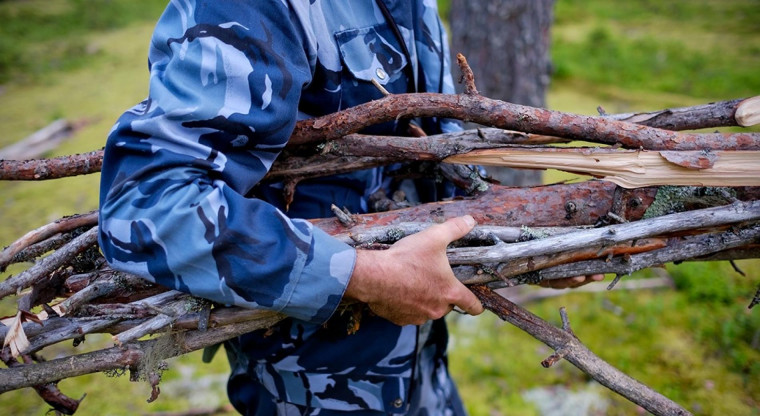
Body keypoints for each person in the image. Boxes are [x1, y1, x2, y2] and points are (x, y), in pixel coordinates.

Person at [98, 1, 600, 414]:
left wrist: (530, 251)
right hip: (308, 391)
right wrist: (369, 276)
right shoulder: (256, 8)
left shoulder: (412, 6)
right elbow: (151, 201)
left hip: (426, 379)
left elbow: (435, 165)